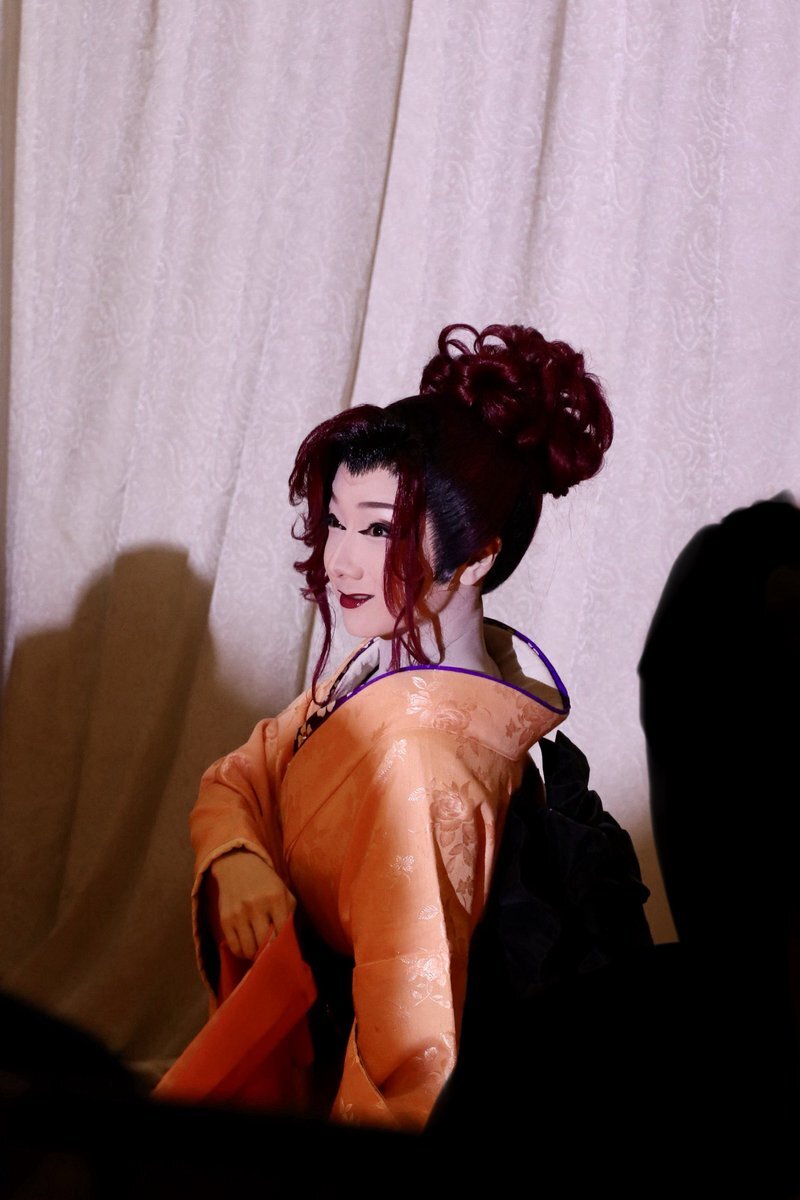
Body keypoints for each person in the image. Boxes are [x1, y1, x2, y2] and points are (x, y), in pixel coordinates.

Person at [167, 322, 614, 1132]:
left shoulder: (425, 766)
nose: (338, 560)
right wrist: (237, 857)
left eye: (378, 530)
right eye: (337, 521)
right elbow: (243, 774)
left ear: (475, 558)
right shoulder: (383, 669)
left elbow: (407, 1059)